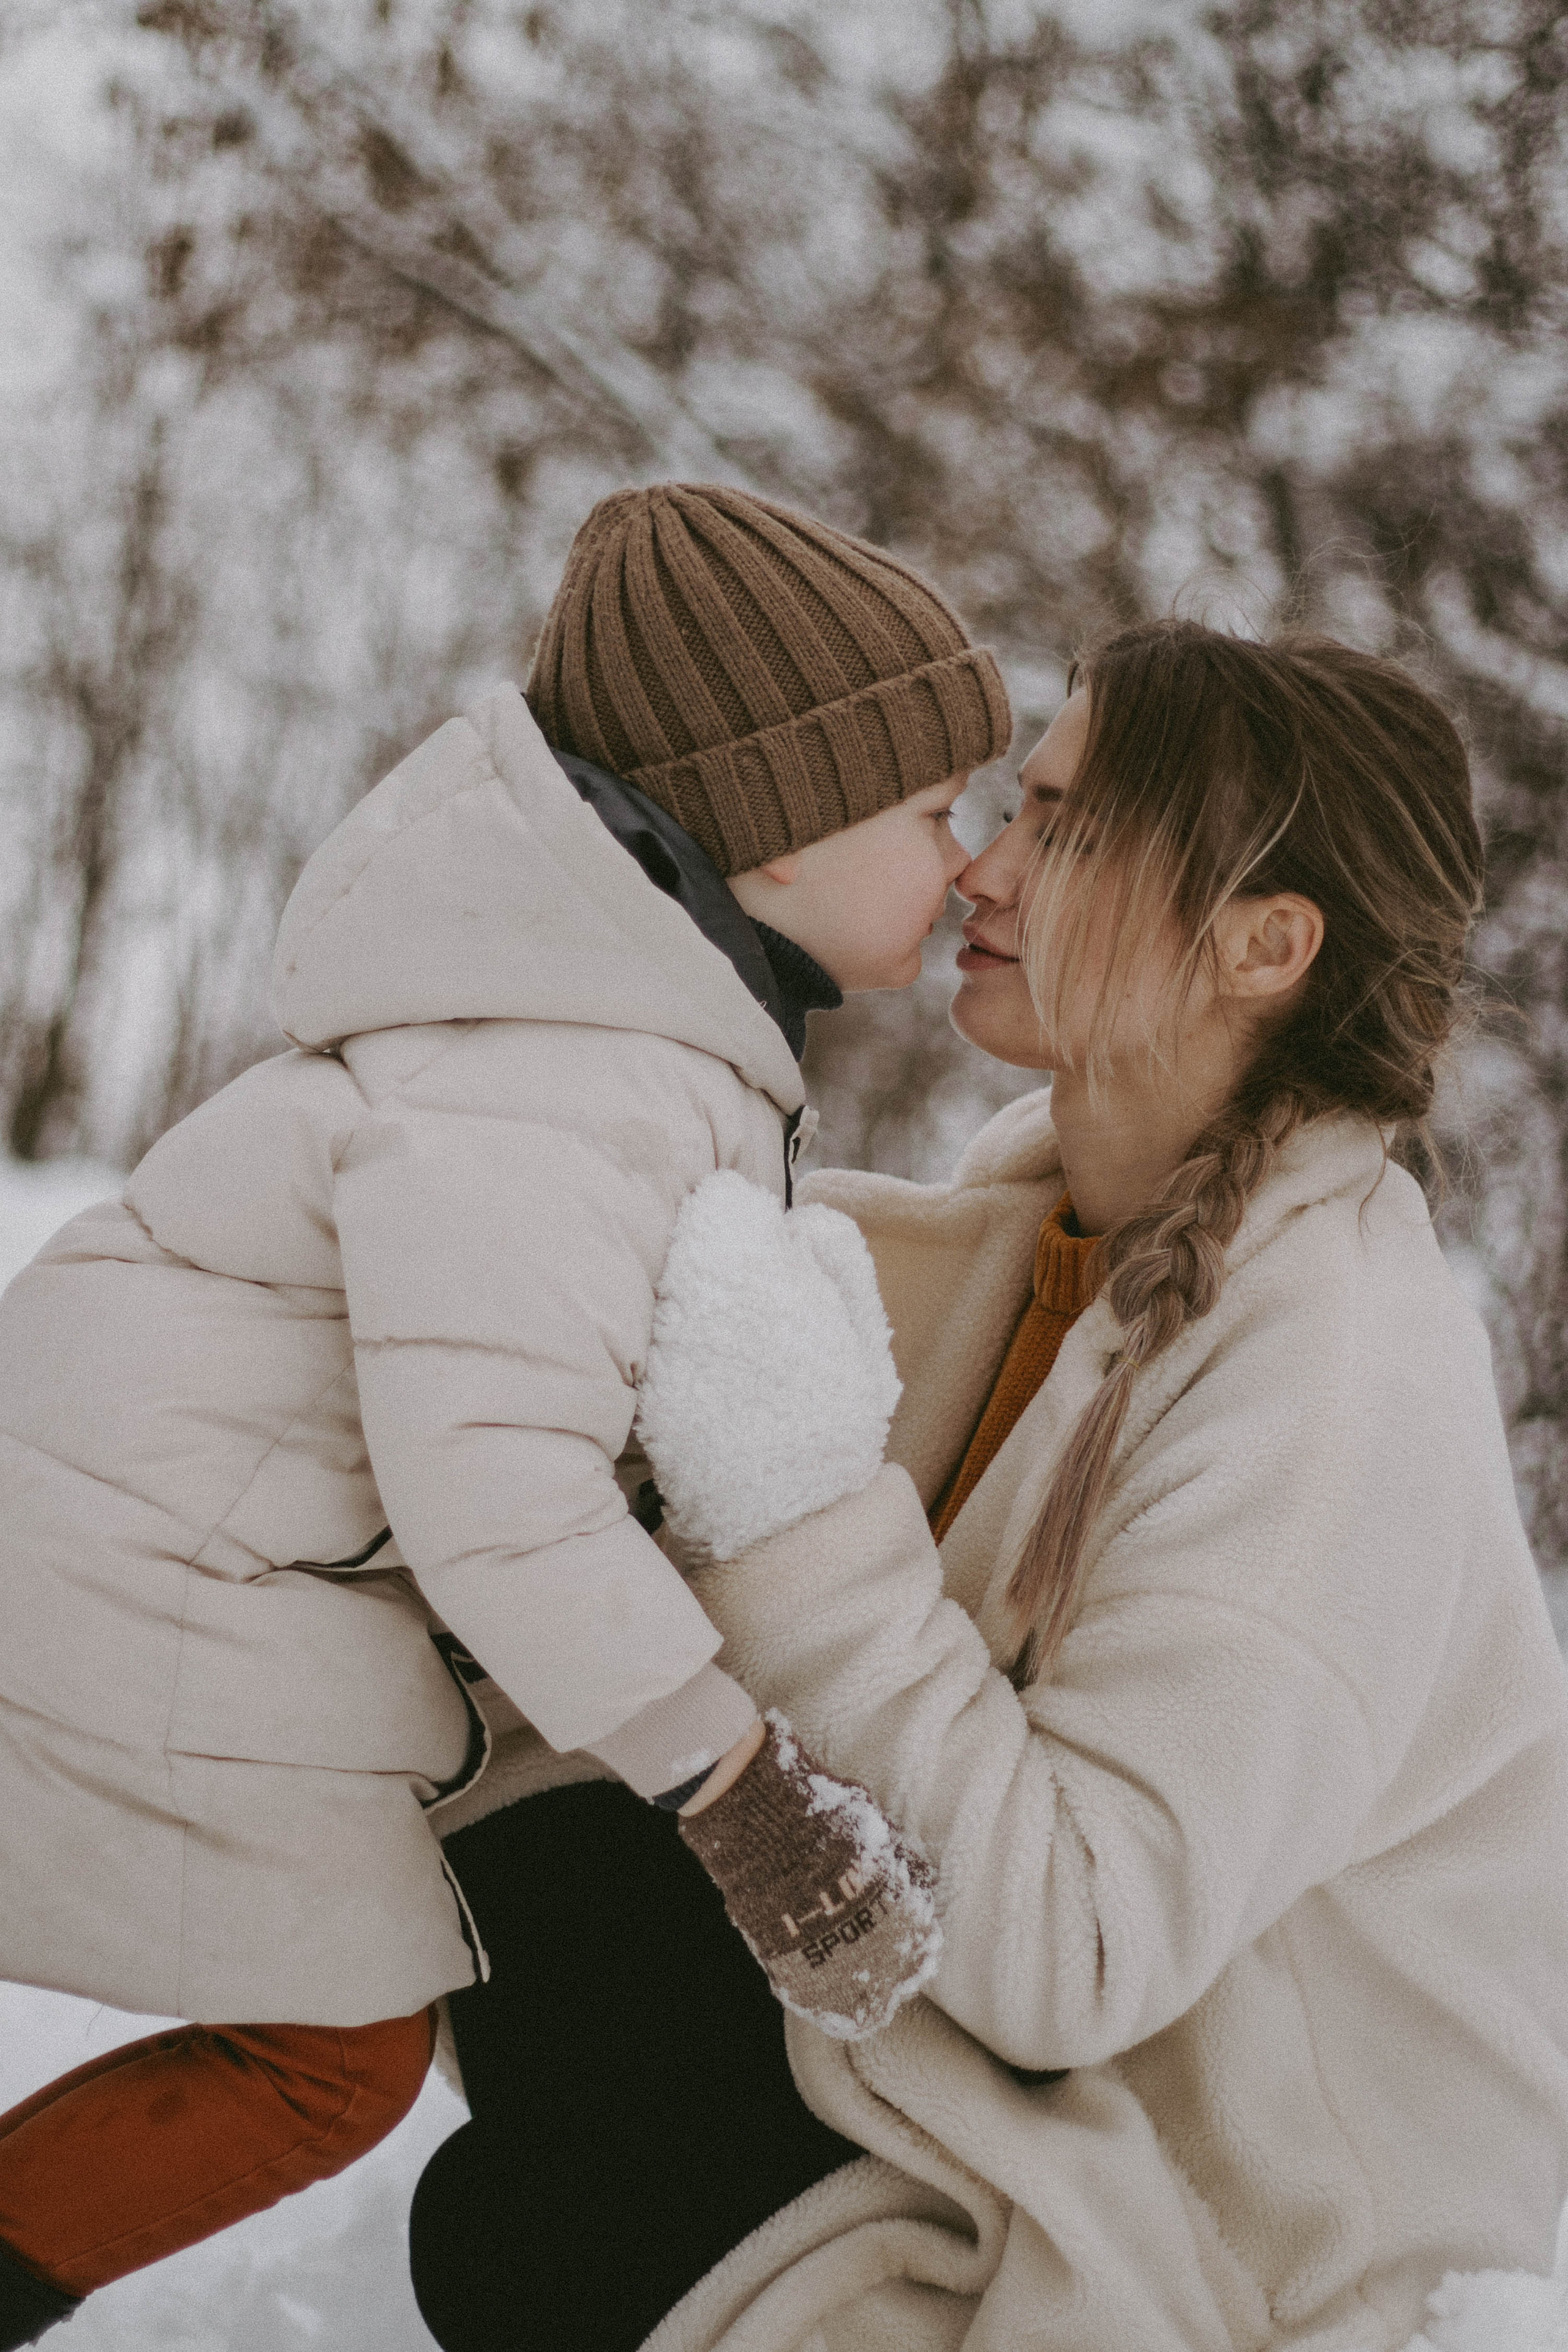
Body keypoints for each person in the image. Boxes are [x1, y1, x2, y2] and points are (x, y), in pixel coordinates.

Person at [417, 619, 1568, 2351]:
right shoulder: (1059, 1229)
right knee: (526, 1873)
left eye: (1072, 829)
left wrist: (795, 1490)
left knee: (542, 2184)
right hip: (1014, 2110)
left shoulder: (1332, 1374)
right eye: (1018, 805)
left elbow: (1073, 1956)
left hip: (1218, 2231)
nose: (984, 866)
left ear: (1265, 944)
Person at [0, 483, 1011, 2346]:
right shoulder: (572, 1078)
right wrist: (744, 1792)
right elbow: (500, 1486)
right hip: (153, 1572)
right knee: (329, 2059)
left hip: (180, 1561)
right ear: (778, 833)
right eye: (933, 809)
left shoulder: (599, 1035)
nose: (969, 861)